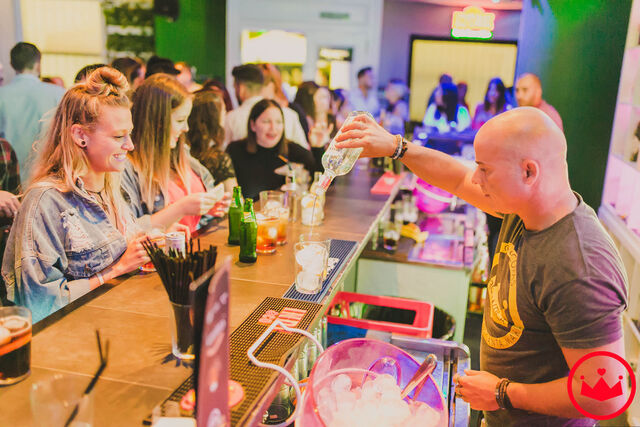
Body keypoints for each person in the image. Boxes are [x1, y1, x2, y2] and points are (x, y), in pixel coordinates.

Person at [335, 107, 628, 426]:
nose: (476, 177)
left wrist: (503, 393)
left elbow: (607, 396)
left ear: (528, 172)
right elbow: (458, 178)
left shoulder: (579, 266)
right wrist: (397, 147)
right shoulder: (525, 209)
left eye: (485, 169)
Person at [1, 68, 151, 322]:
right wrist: (115, 270)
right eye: (118, 136)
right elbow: (39, 305)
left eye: (129, 133)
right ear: (80, 136)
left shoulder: (111, 185)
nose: (130, 145)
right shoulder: (46, 201)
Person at [123, 74, 225, 234]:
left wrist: (207, 207)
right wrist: (181, 208)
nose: (186, 128)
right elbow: (129, 231)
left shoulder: (181, 153)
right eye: (179, 121)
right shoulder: (127, 168)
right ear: (157, 122)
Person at [226, 99, 326, 200]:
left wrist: (318, 148)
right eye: (266, 122)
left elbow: (324, 180)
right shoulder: (235, 151)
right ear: (253, 125)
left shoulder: (292, 150)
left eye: (278, 122)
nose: (273, 128)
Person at [0, 42, 65, 181]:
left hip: (7, 180)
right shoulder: (58, 94)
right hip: (47, 179)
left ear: (12, 64)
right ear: (38, 64)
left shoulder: (2, 95)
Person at [224, 64, 308, 149]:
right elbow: (303, 150)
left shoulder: (231, 118)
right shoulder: (289, 114)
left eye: (234, 88)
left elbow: (223, 151)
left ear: (241, 89)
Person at [187, 87, 238, 192]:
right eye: (224, 112)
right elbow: (234, 197)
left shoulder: (183, 154)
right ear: (215, 119)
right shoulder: (218, 159)